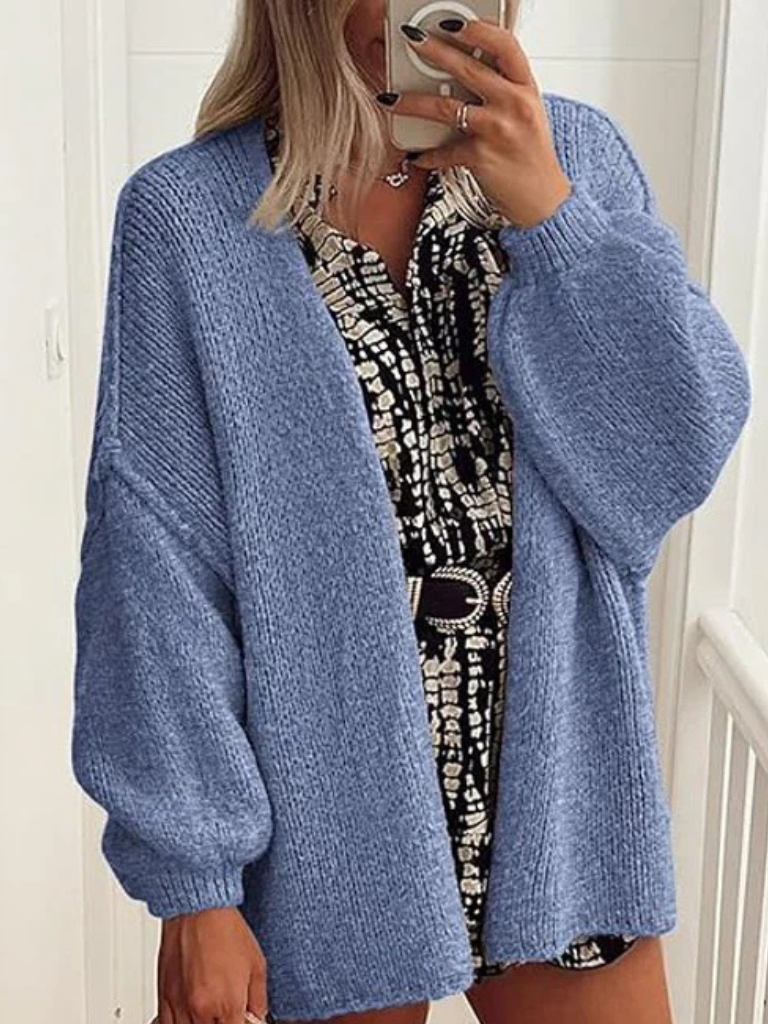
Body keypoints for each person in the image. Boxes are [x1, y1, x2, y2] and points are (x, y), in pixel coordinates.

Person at [69, 1, 752, 1023]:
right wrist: (195, 881)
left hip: (553, 799)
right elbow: (155, 565)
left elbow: (674, 449)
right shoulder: (188, 217)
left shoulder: (576, 160)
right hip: (323, 817)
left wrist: (552, 219)